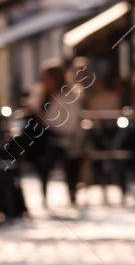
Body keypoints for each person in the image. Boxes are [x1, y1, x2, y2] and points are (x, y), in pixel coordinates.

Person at [21, 59, 86, 208]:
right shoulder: (42, 93)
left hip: (61, 138)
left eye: (46, 77)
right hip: (42, 137)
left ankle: (16, 153)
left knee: (32, 130)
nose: (43, 80)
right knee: (30, 126)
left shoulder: (69, 97)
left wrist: (40, 115)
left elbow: (66, 127)